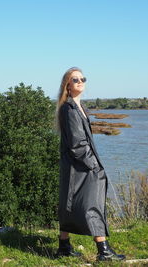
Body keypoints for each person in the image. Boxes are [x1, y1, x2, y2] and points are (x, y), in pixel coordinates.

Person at [55, 67, 126, 261]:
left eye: (82, 78)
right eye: (75, 79)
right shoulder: (69, 110)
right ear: (67, 85)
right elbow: (78, 145)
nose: (80, 81)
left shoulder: (79, 108)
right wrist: (95, 166)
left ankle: (64, 246)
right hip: (81, 166)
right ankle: (103, 251)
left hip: (76, 166)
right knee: (92, 204)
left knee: (69, 205)